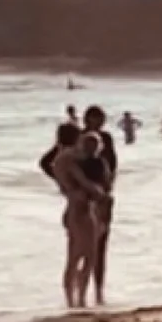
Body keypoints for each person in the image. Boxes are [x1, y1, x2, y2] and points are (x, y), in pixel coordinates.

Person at [42, 116, 105, 306]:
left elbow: (49, 167)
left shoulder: (59, 159)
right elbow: (83, 182)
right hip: (81, 209)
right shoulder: (70, 158)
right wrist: (99, 193)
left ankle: (71, 298)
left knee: (74, 255)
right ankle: (79, 298)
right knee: (87, 255)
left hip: (72, 207)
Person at [78, 106, 119, 296]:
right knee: (81, 247)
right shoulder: (77, 138)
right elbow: (50, 161)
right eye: (94, 120)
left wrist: (108, 186)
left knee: (101, 245)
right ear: (86, 120)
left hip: (102, 196)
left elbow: (113, 164)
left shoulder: (106, 139)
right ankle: (80, 291)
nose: (97, 124)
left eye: (100, 120)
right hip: (83, 198)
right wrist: (66, 184)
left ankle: (99, 290)